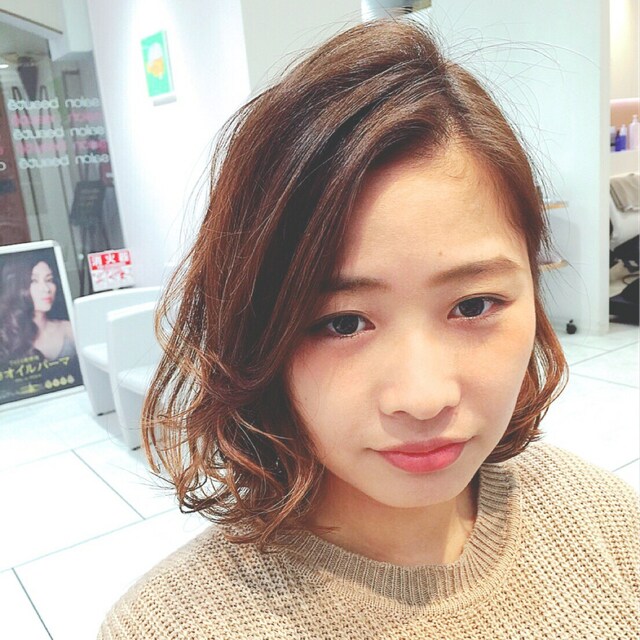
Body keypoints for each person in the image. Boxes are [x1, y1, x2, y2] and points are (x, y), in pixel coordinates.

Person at [98, 19, 639, 639]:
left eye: (473, 306)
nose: (423, 398)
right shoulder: (167, 626)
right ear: (256, 332)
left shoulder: (605, 521)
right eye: (343, 322)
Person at [0, 252, 76, 362]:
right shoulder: (6, 335)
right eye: (34, 281)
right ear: (18, 286)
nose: (46, 289)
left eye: (49, 280)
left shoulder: (68, 329)